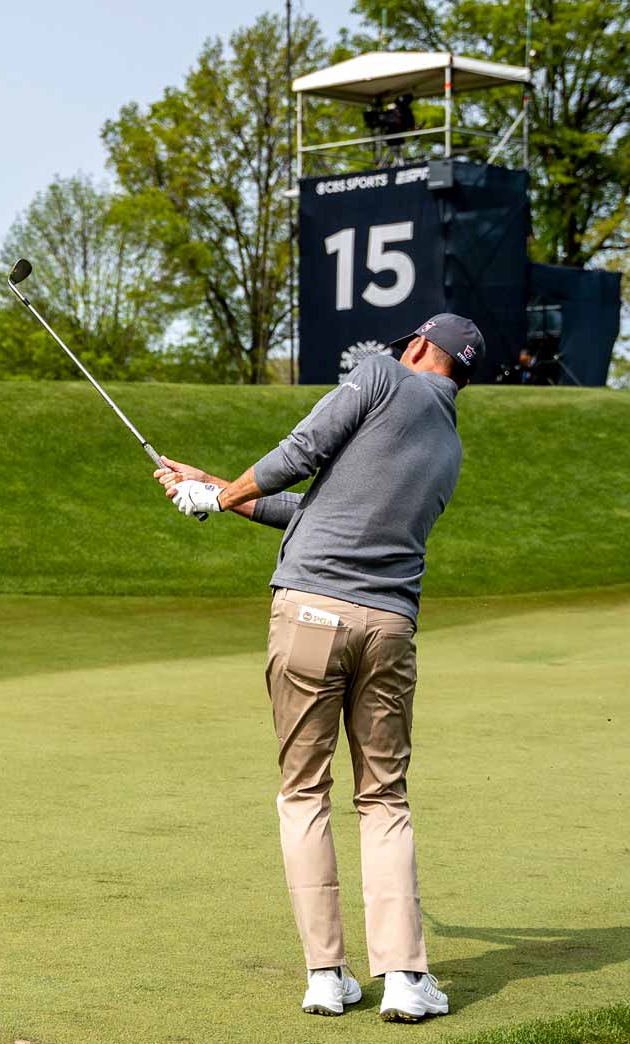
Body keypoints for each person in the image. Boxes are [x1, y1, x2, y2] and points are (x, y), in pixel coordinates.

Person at [155, 313, 482, 1023]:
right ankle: (403, 978)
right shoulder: (449, 445)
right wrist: (218, 485)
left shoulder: (379, 375)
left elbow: (302, 450)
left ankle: (326, 977)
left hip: (307, 616)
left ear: (421, 346)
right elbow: (319, 509)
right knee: (384, 799)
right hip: (389, 625)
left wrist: (218, 498)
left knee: (305, 793)